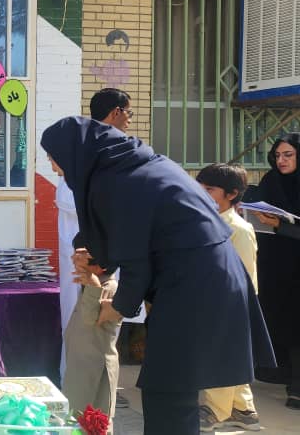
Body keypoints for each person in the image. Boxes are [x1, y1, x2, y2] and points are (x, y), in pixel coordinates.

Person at [41, 116, 273, 434]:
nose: (55, 168)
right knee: (171, 389)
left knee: (168, 391)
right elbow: (127, 233)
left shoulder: (120, 181)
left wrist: (117, 307)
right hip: (203, 276)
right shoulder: (133, 167)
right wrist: (97, 258)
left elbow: (136, 259)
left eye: (54, 158)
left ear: (75, 153)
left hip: (196, 284)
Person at [56, 87, 132, 405]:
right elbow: (68, 197)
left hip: (108, 255)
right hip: (85, 258)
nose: (129, 119)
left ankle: (102, 388)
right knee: (82, 323)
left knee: (106, 323)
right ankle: (75, 388)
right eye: (128, 113)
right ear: (115, 112)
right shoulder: (86, 150)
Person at [196, 163, 262, 430]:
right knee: (232, 357)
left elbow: (244, 275)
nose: (202, 194)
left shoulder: (240, 230)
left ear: (232, 194)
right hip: (210, 299)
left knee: (220, 357)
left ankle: (216, 411)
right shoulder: (207, 221)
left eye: (210, 189)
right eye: (200, 188)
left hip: (229, 304)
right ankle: (244, 409)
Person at [250, 133, 300, 410]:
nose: (281, 160)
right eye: (277, 156)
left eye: (288, 155)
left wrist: (281, 226)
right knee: (279, 320)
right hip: (275, 266)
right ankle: (280, 373)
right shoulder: (271, 180)